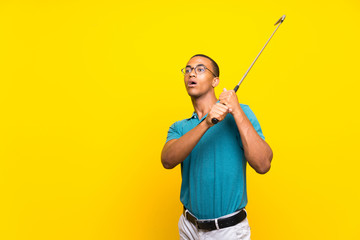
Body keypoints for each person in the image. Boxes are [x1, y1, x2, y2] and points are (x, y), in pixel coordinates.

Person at [161, 54, 273, 240]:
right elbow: (167, 160)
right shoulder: (180, 127)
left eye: (200, 69)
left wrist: (236, 111)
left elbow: (263, 164)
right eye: (187, 70)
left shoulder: (241, 113)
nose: (191, 74)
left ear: (215, 81)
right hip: (189, 228)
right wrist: (206, 123)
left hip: (227, 230)